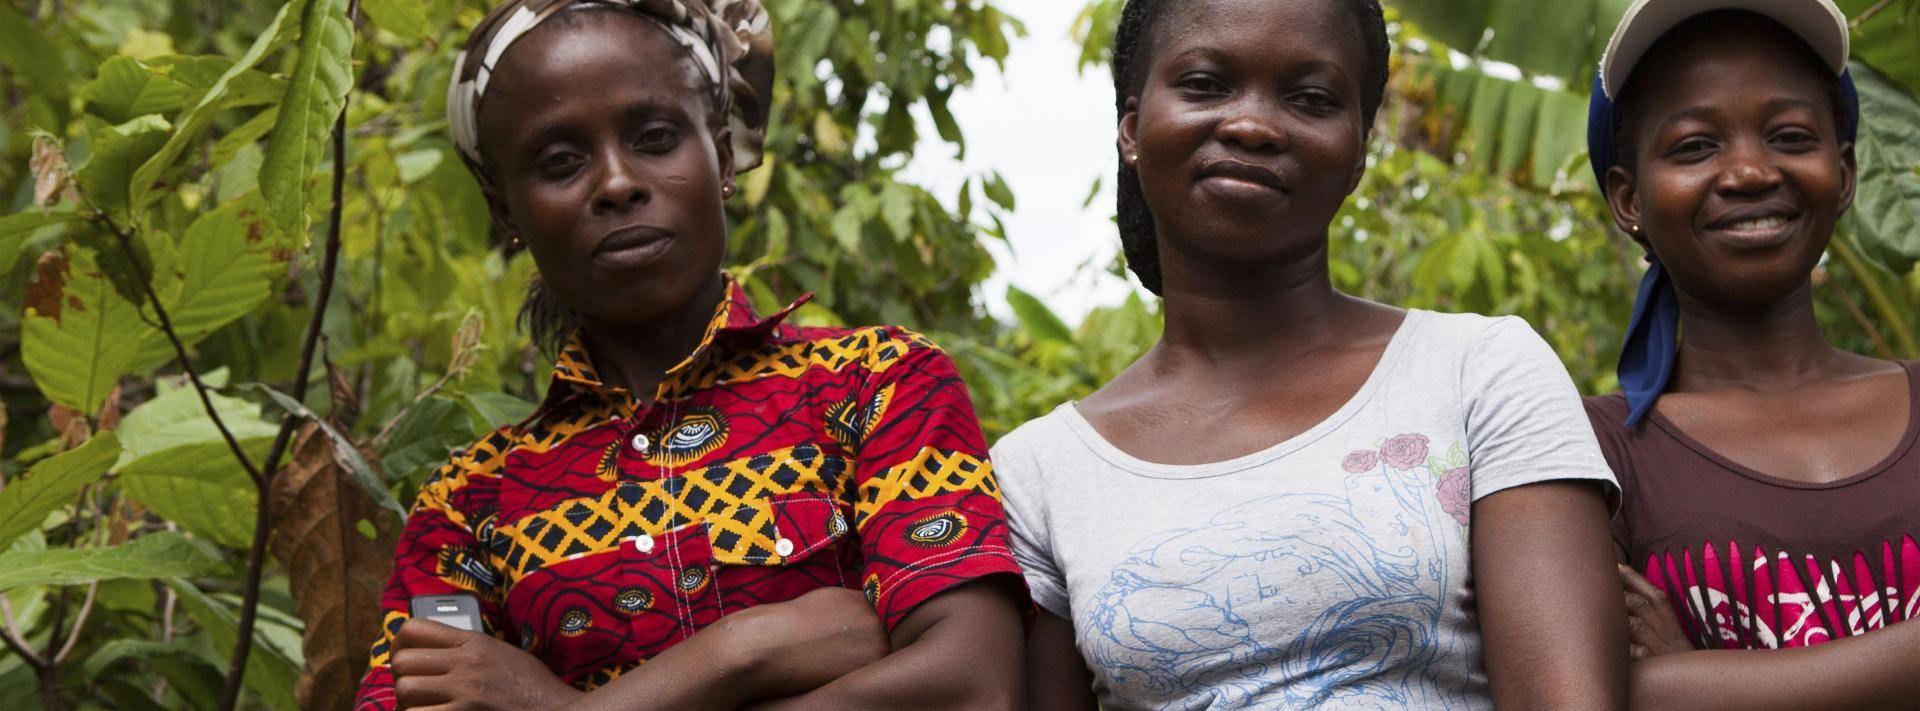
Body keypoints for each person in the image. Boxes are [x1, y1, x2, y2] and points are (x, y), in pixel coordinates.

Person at [350, 1, 1025, 708]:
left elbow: (970, 686)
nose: (616, 182)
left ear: (724, 154)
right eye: (559, 161)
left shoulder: (878, 386)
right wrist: (759, 645)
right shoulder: (466, 508)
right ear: (504, 211)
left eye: (654, 136)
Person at [992, 0, 1627, 708]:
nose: (1253, 124)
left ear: (1358, 152)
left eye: (1312, 98)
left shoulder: (1480, 371)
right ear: (1133, 128)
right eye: (1205, 84)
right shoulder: (1040, 471)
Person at [1583, 0, 1920, 706]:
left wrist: (1696, 680)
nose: (1748, 172)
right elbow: (1593, 689)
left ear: (1847, 169)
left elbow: (1660, 694)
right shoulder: (1594, 450)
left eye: (1791, 136)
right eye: (1695, 146)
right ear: (1627, 198)